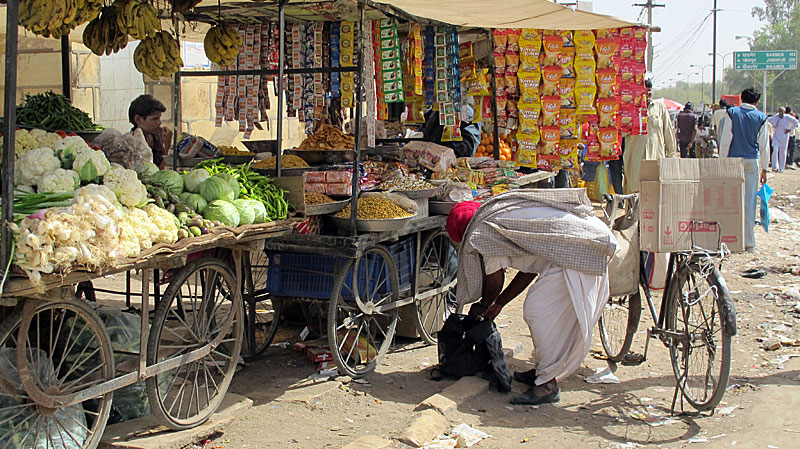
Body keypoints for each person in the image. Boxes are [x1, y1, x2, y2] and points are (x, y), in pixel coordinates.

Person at [447, 191, 617, 405]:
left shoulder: (483, 233)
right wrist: (499, 303)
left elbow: (495, 281)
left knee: (538, 312)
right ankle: (544, 371)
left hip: (582, 248)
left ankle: (547, 385)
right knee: (548, 315)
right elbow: (530, 268)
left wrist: (482, 305)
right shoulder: (497, 216)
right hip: (588, 238)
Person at [719, 87, 770, 252]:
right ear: (756, 102)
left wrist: (722, 161)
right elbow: (764, 146)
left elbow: (726, 139)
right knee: (749, 202)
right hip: (751, 161)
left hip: (733, 161)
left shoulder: (732, 113)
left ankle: (730, 238)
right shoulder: (761, 117)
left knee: (731, 201)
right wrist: (765, 169)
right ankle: (748, 242)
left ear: (741, 99)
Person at [622, 79, 678, 193]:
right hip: (635, 159)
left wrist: (671, 156)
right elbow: (622, 133)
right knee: (635, 192)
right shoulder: (630, 108)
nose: (647, 93)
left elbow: (668, 131)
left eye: (649, 90)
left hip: (656, 158)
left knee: (655, 192)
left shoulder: (659, 108)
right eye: (644, 90)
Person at [128, 94, 173, 169]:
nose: (159, 122)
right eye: (154, 119)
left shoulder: (156, 136)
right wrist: (167, 146)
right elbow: (157, 173)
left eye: (159, 118)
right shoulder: (132, 144)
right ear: (138, 119)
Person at [767, 107, 799, 172]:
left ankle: (781, 168)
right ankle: (774, 167)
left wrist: (790, 129)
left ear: (784, 112)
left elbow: (796, 122)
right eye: (779, 111)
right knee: (775, 150)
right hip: (776, 135)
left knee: (783, 152)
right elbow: (769, 119)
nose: (780, 113)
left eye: (781, 112)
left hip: (784, 135)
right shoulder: (776, 116)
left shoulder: (787, 117)